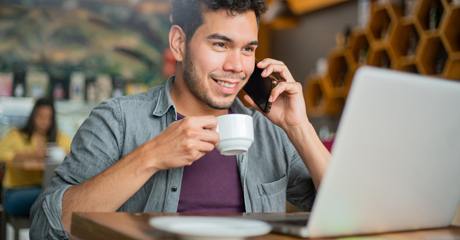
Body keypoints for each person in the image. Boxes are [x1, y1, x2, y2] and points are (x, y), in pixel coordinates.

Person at [30, 0, 330, 239]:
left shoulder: (271, 131)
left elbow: (349, 214)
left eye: (248, 49)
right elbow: (47, 227)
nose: (237, 66)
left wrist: (298, 128)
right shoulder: (118, 120)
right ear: (178, 43)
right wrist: (150, 157)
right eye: (220, 45)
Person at [0, 98, 71, 217]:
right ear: (33, 116)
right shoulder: (16, 134)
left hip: (45, 189)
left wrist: (61, 153)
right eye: (41, 116)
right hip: (16, 192)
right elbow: (2, 153)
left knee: (52, 197)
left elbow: (74, 153)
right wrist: (32, 154)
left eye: (49, 118)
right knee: (57, 197)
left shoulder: (59, 137)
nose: (45, 122)